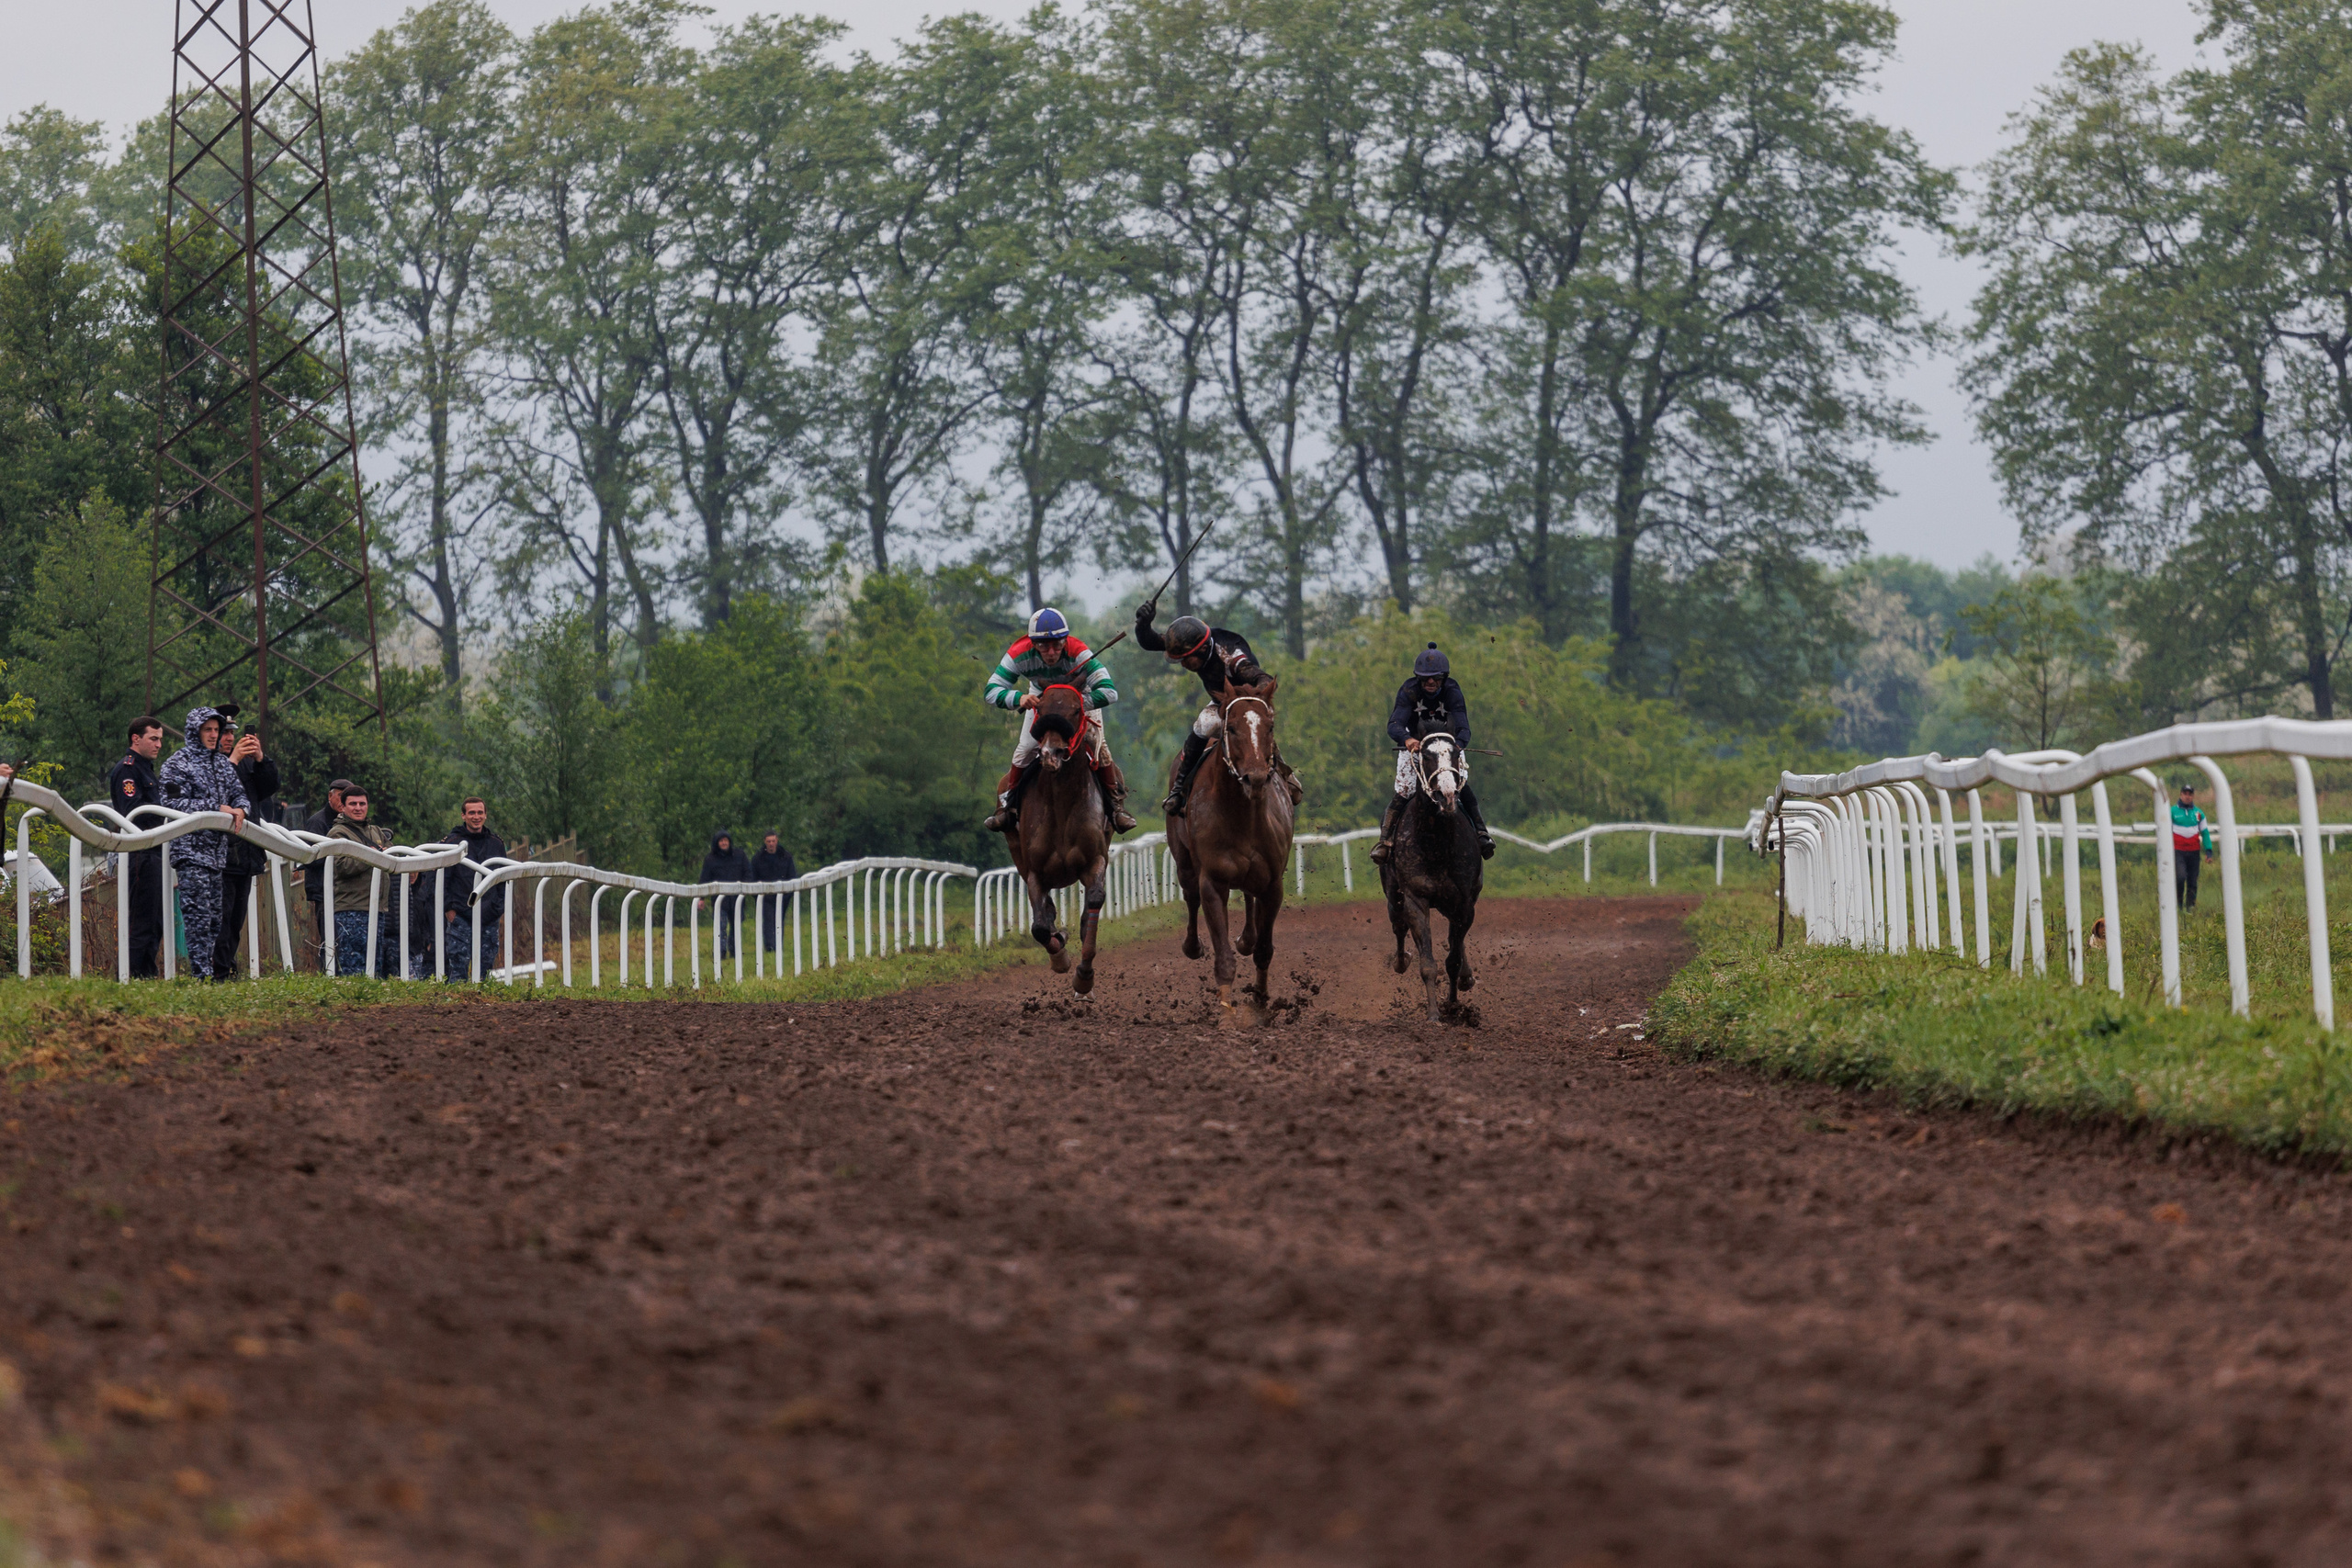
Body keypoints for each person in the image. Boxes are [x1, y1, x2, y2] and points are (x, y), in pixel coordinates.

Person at [981, 607, 1136, 833]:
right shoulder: (1017, 653)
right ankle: (1006, 809)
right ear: (1033, 643)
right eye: (1044, 646)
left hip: (1080, 699)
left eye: (1058, 644)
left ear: (1066, 640)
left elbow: (1110, 693)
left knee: (1098, 748)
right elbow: (990, 691)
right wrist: (1019, 698)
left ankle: (1116, 809)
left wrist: (1072, 704)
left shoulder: (1080, 652)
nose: (1052, 652)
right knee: (1025, 748)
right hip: (1042, 698)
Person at [1133, 605, 1299, 816]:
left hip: (1249, 703)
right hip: (1222, 702)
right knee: (1204, 726)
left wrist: (1253, 702)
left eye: (1186, 658)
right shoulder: (1190, 640)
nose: (1182, 664)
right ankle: (1178, 789)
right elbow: (1150, 642)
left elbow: (1262, 678)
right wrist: (1143, 624)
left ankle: (1286, 776)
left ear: (1202, 650)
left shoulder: (1231, 657)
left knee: (1251, 727)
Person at [1373, 643, 1495, 863]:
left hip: (1448, 747)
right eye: (1425, 678)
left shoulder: (1453, 691)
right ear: (1418, 678)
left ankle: (1481, 833)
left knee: (1460, 785)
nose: (1430, 682)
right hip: (1417, 747)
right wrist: (1407, 739)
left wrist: (1457, 745)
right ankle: (1385, 841)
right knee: (1405, 789)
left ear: (1444, 677)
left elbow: (1464, 727)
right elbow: (1394, 724)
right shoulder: (1409, 690)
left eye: (1436, 678)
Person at [156, 707, 251, 981]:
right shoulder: (177, 764)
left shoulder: (221, 764)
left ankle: (207, 975)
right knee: (197, 919)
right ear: (194, 731)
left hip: (217, 855)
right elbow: (172, 803)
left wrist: (241, 810)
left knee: (213, 921)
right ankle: (202, 976)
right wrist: (216, 808)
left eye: (215, 730)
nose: (213, 735)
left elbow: (239, 795)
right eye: (207, 729)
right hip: (190, 852)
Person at [211, 706, 281, 980]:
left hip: (245, 852)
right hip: (219, 853)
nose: (229, 738)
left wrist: (261, 759)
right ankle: (217, 970)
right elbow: (214, 794)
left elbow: (269, 788)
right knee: (220, 917)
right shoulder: (208, 762)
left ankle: (227, 967)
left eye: (231, 733)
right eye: (222, 733)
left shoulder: (247, 762)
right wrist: (234, 759)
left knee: (236, 918)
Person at [106, 716, 168, 979]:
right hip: (141, 851)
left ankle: (146, 972)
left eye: (160, 739)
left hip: (156, 850)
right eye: (153, 738)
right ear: (136, 739)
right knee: (141, 920)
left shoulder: (146, 769)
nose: (159, 744)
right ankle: (130, 973)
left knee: (155, 920)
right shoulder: (128, 770)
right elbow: (134, 812)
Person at [323, 784, 394, 976]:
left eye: (362, 803)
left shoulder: (376, 832)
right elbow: (342, 866)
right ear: (343, 807)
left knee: (374, 967)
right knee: (355, 969)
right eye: (352, 803)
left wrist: (377, 855)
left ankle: (370, 1005)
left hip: (377, 908)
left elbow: (391, 858)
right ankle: (351, 1004)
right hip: (351, 909)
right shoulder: (338, 834)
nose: (358, 807)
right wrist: (372, 857)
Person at [441, 797, 507, 981]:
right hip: (460, 916)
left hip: (489, 916)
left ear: (485, 815)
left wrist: (497, 909)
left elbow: (504, 879)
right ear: (463, 815)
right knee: (458, 970)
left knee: (485, 970)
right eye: (471, 813)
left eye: (480, 812)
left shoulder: (496, 844)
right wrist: (449, 909)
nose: (476, 817)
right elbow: (440, 880)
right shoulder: (452, 843)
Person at [302, 779, 351, 968]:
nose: (343, 801)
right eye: (340, 796)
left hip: (341, 890)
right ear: (330, 796)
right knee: (328, 936)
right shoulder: (317, 821)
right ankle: (328, 973)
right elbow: (312, 856)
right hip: (323, 890)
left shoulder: (348, 822)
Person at [699, 831, 752, 959]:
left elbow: (748, 873)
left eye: (726, 840)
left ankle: (735, 951)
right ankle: (720, 951)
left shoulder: (740, 855)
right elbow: (704, 879)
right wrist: (701, 898)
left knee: (736, 926)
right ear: (717, 843)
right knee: (720, 927)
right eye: (721, 841)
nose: (724, 843)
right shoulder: (710, 859)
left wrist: (745, 888)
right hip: (719, 900)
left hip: (737, 898)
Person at [751, 831, 797, 957]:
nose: (771, 844)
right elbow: (752, 878)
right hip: (765, 897)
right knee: (769, 919)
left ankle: (778, 944)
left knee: (779, 919)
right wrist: (758, 896)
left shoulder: (786, 857)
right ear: (765, 842)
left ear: (777, 841)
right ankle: (770, 945)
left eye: (773, 841)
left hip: (782, 895)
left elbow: (792, 877)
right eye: (769, 841)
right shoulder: (757, 858)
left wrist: (787, 894)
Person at [2172, 781, 2215, 912]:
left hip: (2194, 852)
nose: (2187, 796)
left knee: (2192, 881)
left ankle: (2190, 908)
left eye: (2190, 794)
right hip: (2178, 851)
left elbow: (2205, 832)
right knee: (2180, 877)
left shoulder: (2198, 813)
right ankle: (2178, 906)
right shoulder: (2172, 811)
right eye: (2185, 794)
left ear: (2193, 796)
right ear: (2180, 795)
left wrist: (2209, 851)